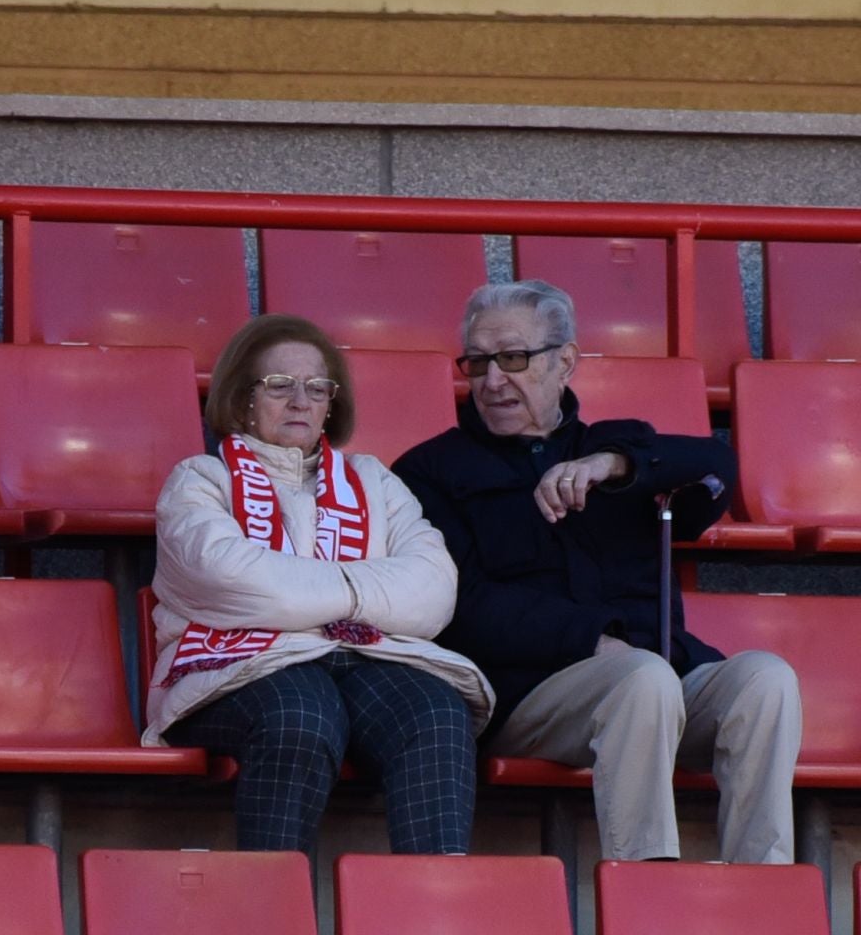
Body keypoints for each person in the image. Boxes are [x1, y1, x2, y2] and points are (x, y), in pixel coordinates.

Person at [393, 279, 801, 863]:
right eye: (478, 362)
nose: (491, 380)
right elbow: (459, 605)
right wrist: (590, 641)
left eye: (513, 357)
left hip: (659, 674)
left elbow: (715, 469)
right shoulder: (431, 470)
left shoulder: (618, 450)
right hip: (532, 693)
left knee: (767, 677)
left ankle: (764, 885)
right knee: (641, 677)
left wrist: (616, 464)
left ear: (566, 362)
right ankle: (645, 884)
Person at [145, 314, 492, 856]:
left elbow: (433, 589)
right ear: (242, 402)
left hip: (363, 658)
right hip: (237, 667)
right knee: (301, 715)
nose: (301, 401)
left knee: (437, 713)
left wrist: (311, 592)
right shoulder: (200, 480)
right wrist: (366, 590)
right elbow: (235, 580)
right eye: (280, 387)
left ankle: (434, 924)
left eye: (316, 388)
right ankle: (269, 920)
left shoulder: (375, 480)